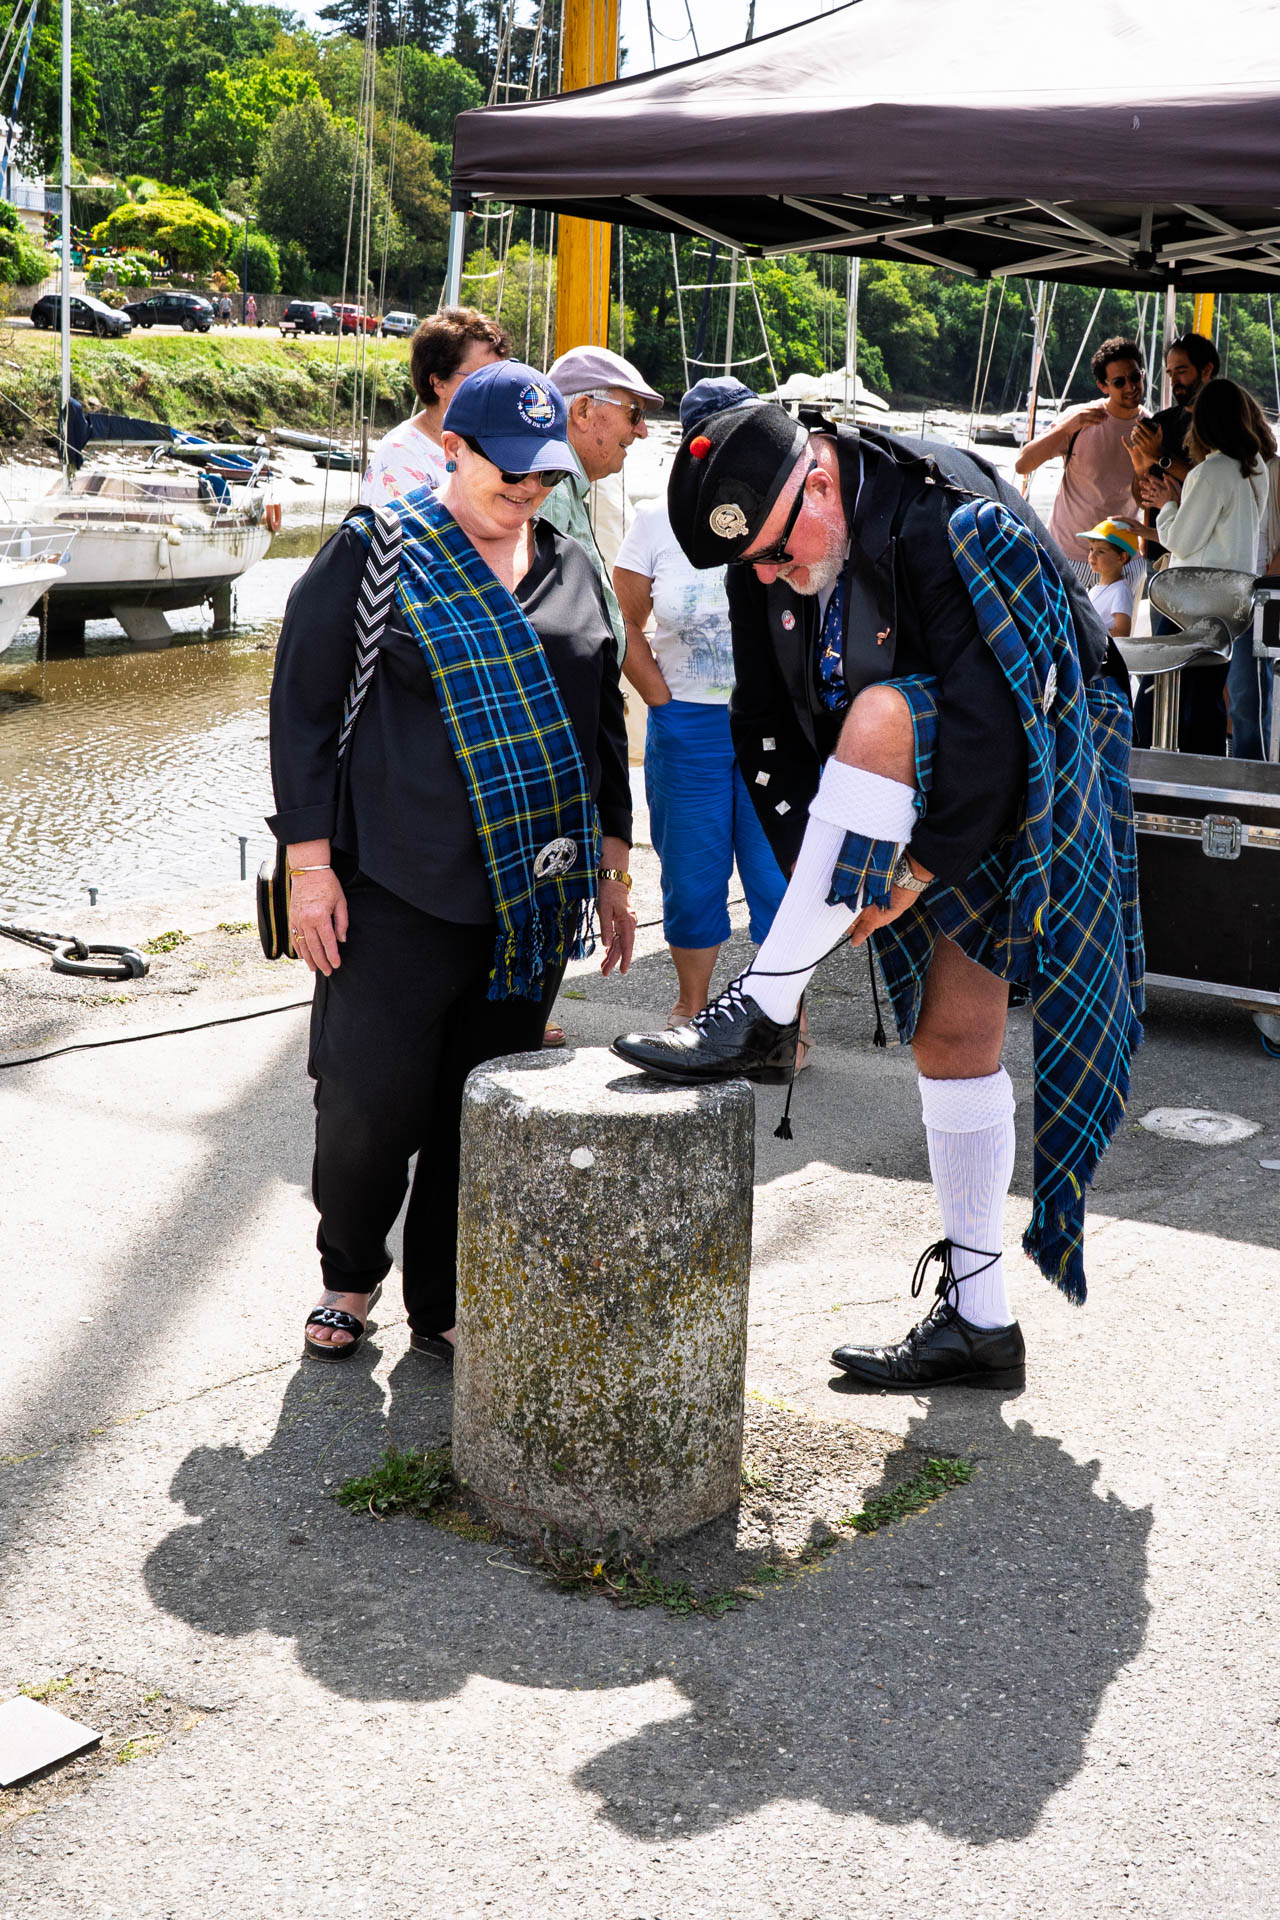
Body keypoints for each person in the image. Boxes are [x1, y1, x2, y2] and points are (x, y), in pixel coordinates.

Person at [612, 399, 1142, 1391]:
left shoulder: (941, 520)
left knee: (880, 713)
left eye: (777, 555)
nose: (770, 578)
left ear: (819, 482)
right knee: (951, 1038)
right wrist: (822, 891)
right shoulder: (766, 549)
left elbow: (989, 726)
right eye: (754, 568)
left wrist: (914, 874)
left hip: (1042, 733)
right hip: (932, 762)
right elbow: (765, 725)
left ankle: (764, 1006)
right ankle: (980, 1323)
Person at [268, 360, 636, 1361]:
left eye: (544, 472)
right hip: (393, 887)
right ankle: (349, 1275)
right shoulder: (376, 552)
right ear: (453, 449)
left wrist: (612, 865)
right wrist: (309, 869)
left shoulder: (570, 565)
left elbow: (600, 724)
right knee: (366, 1103)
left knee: (482, 1108)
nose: (528, 488)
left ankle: (443, 1299)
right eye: (508, 470)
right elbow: (302, 713)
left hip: (531, 898)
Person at [613, 377, 792, 1035]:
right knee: (692, 879)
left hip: (774, 725)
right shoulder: (655, 521)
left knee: (779, 878)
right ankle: (692, 1006)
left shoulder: (785, 509)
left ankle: (783, 1019)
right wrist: (661, 699)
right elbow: (623, 621)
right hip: (688, 723)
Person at [1145, 377, 1274, 759]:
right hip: (1233, 601)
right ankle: (1208, 771)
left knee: (1165, 696)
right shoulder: (1255, 468)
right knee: (1207, 697)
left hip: (1191, 600)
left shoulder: (1210, 471)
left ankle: (1157, 770)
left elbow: (1181, 541)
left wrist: (1168, 504)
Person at [1126, 333, 1223, 752]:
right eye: (1169, 373)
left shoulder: (1222, 427)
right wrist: (1141, 468)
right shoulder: (1159, 423)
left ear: (1207, 370)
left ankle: (1201, 761)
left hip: (1204, 570)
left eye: (1181, 371)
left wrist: (1162, 459)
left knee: (1200, 676)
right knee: (1160, 669)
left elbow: (1211, 482)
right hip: (1163, 560)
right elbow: (1142, 494)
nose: (1174, 380)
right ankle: (1146, 753)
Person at [540, 345, 664, 663]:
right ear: (582, 411)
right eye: (634, 413)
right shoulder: (551, 492)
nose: (642, 431)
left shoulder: (562, 488)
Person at [1015, 336, 1148, 599]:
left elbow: (1151, 500)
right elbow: (1023, 464)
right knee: (1060, 626)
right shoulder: (1080, 419)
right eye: (1119, 382)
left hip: (1123, 562)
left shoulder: (1151, 428)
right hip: (1069, 557)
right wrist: (1068, 426)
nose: (1131, 387)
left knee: (1119, 629)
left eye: (1135, 377)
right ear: (1103, 386)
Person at [361, 307, 510, 507]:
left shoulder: (494, 442)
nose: (496, 388)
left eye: (500, 376)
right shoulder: (400, 455)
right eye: (483, 378)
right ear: (439, 383)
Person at [1080, 519, 1138, 637]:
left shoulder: (1120, 591)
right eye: (1091, 549)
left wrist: (1089, 636)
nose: (1092, 556)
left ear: (1122, 557)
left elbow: (1122, 632)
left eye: (1101, 551)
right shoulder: (1095, 589)